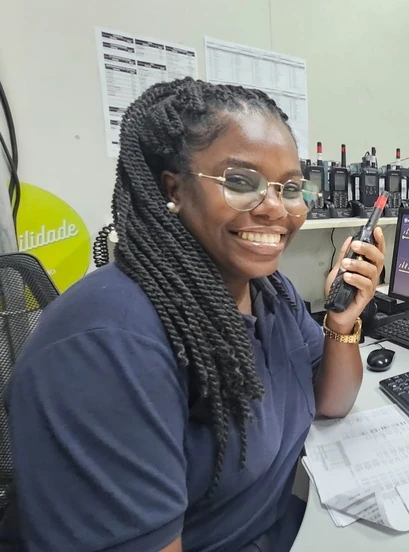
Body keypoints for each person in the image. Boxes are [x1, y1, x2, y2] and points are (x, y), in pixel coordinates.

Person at [0, 78, 385, 551]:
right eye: (241, 182)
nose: (276, 209)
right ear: (173, 189)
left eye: (291, 188)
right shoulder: (107, 346)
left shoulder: (270, 293)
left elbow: (332, 402)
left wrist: (343, 323)